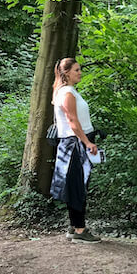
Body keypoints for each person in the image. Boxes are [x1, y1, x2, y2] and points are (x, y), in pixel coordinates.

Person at [49, 57, 102, 243]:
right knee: (77, 186)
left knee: (76, 185)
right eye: (76, 70)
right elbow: (72, 122)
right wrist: (87, 143)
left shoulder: (66, 92)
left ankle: (74, 226)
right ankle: (80, 230)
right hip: (75, 144)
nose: (80, 73)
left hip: (74, 142)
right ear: (66, 73)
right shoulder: (67, 93)